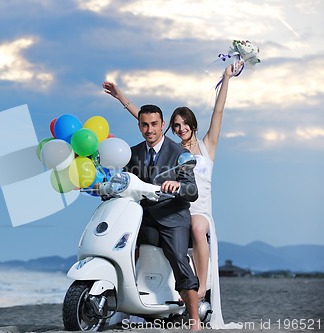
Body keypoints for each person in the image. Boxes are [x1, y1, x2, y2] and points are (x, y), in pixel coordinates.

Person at [103, 62, 240, 329]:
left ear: (193, 124)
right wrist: (121, 97)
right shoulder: (172, 147)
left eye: (185, 123)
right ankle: (131, 292)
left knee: (198, 230)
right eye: (176, 125)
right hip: (170, 204)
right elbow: (146, 122)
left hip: (197, 206)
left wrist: (226, 78)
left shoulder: (206, 145)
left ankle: (198, 289)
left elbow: (218, 110)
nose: (181, 128)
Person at [123, 104, 202, 331]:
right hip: (143, 215)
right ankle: (131, 301)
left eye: (154, 124)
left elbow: (192, 191)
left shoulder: (180, 153)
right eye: (145, 125)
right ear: (139, 126)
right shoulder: (133, 153)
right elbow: (124, 182)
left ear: (162, 125)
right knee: (123, 245)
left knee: (178, 256)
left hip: (172, 215)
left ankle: (194, 318)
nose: (150, 130)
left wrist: (178, 185)